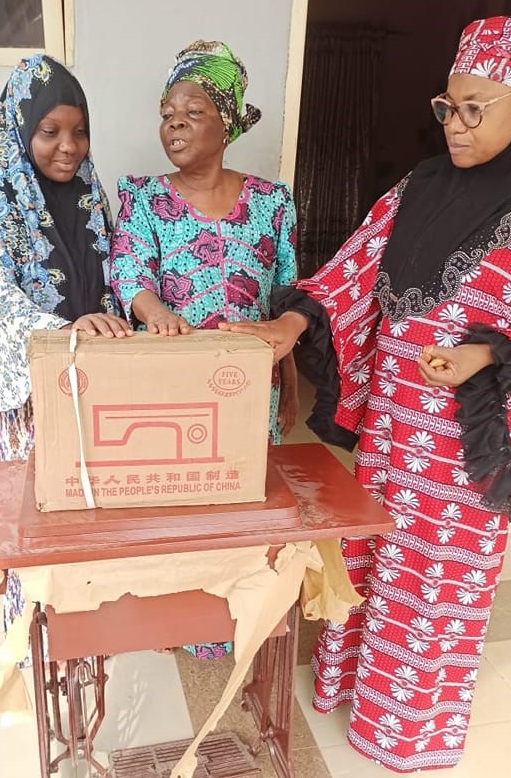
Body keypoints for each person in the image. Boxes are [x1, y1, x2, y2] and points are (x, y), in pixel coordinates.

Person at [219, 15, 511, 770]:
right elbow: (354, 264)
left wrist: (486, 351)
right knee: (370, 549)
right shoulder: (423, 184)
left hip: (470, 438)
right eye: (447, 107)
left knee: (433, 576)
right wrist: (289, 323)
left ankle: (408, 729)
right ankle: (348, 683)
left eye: (476, 109)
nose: (454, 127)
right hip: (397, 419)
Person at [109, 39, 300, 659]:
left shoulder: (273, 204)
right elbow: (127, 269)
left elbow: (287, 300)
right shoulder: (143, 197)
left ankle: (234, 622)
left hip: (247, 392)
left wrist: (290, 383)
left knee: (242, 501)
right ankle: (178, 622)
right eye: (167, 114)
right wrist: (155, 311)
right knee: (175, 502)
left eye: (191, 113)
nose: (174, 127)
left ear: (228, 124)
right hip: (170, 389)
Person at [0, 55, 131, 643]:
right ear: (20, 123)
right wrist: (63, 332)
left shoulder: (87, 188)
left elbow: (110, 274)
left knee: (91, 511)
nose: (69, 147)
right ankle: (32, 644)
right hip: (35, 389)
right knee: (39, 520)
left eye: (79, 130)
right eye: (50, 131)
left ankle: (86, 632)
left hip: (92, 378)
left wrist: (112, 322)